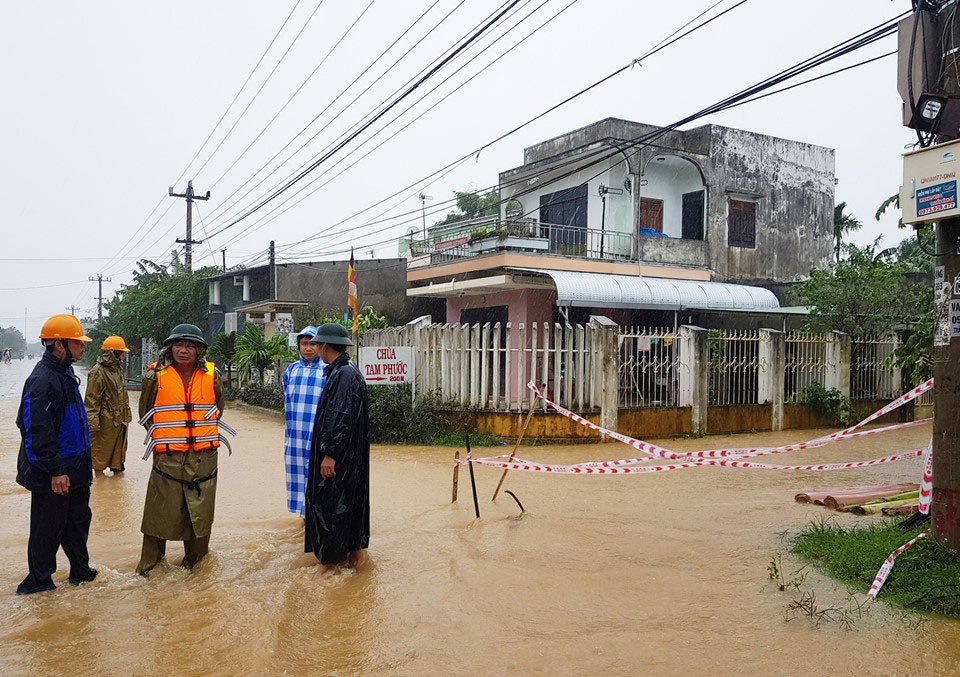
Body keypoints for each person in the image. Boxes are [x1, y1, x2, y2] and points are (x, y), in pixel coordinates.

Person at [15, 314, 98, 594]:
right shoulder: (42, 380)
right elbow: (35, 431)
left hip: (75, 468)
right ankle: (38, 586)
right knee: (47, 530)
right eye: (78, 342)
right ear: (59, 345)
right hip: (54, 473)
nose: (83, 347)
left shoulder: (64, 374)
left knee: (77, 524)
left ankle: (81, 574)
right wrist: (55, 470)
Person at [136, 323, 226, 576]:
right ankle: (150, 569)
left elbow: (218, 408)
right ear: (170, 348)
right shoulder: (155, 376)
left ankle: (197, 569)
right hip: (167, 458)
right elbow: (146, 414)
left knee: (200, 517)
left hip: (203, 459)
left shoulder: (213, 375)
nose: (183, 350)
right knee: (157, 516)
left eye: (189, 346)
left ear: (199, 350)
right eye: (178, 345)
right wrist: (168, 439)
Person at [304, 323, 370, 574]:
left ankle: (331, 566)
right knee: (347, 507)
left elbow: (339, 416)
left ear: (325, 346)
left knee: (332, 508)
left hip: (339, 459)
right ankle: (354, 561)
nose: (314, 349)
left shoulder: (342, 375)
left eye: (317, 344)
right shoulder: (346, 371)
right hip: (349, 459)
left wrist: (329, 454)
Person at [282, 326, 326, 519]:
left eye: (313, 344)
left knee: (319, 477)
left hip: (318, 433)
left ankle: (319, 517)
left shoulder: (327, 370)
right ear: (299, 346)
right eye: (304, 344)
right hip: (296, 436)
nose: (308, 348)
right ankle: (304, 518)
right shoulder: (291, 370)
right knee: (299, 476)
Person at [85, 335, 133, 475]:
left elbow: (123, 395)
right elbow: (91, 402)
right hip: (105, 421)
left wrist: (127, 415)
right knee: (100, 455)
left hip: (121, 420)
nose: (124, 355)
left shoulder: (117, 369)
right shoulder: (97, 372)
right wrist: (93, 426)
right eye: (122, 352)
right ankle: (100, 483)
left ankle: (116, 484)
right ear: (114, 353)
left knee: (119, 455)